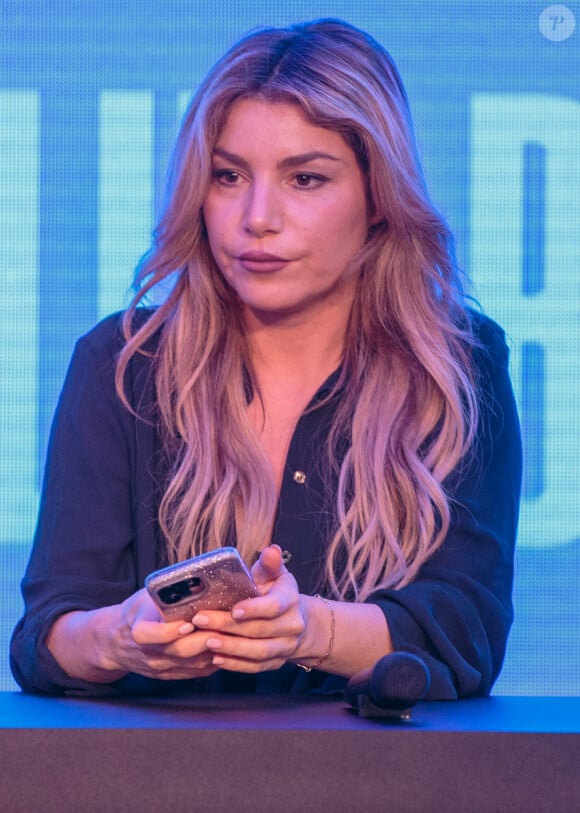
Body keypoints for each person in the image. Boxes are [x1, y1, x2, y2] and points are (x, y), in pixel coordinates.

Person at [10, 18, 522, 699]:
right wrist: (121, 637)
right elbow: (46, 635)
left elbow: (466, 631)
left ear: (378, 197)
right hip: (152, 787)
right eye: (228, 176)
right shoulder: (123, 362)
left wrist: (309, 628)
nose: (257, 217)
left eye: (305, 179)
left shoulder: (456, 365)